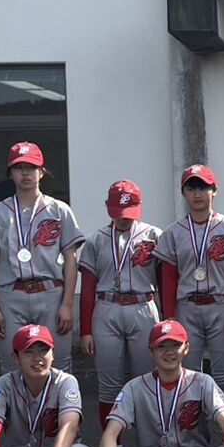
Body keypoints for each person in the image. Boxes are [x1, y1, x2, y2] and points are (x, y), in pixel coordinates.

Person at [0, 141, 83, 374]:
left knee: (59, 365)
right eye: (19, 167)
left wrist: (67, 304)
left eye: (31, 167)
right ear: (10, 173)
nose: (25, 173)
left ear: (41, 172)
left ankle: (59, 402)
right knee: (12, 366)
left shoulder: (59, 210)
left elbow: (71, 258)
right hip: (10, 295)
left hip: (50, 293)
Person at [154, 164, 224, 412]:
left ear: (214, 191)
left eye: (204, 188)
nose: (197, 194)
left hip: (221, 304)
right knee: (189, 375)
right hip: (187, 308)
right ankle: (193, 430)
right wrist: (170, 317)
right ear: (183, 193)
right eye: (191, 188)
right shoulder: (173, 233)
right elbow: (168, 279)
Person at [78, 181, 163, 429]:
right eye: (119, 212)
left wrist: (169, 318)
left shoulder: (154, 235)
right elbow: (88, 288)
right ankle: (112, 444)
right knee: (108, 385)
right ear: (107, 206)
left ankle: (149, 442)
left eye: (129, 211)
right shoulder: (96, 240)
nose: (124, 218)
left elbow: (166, 281)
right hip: (107, 308)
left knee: (146, 380)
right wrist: (85, 330)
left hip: (143, 306)